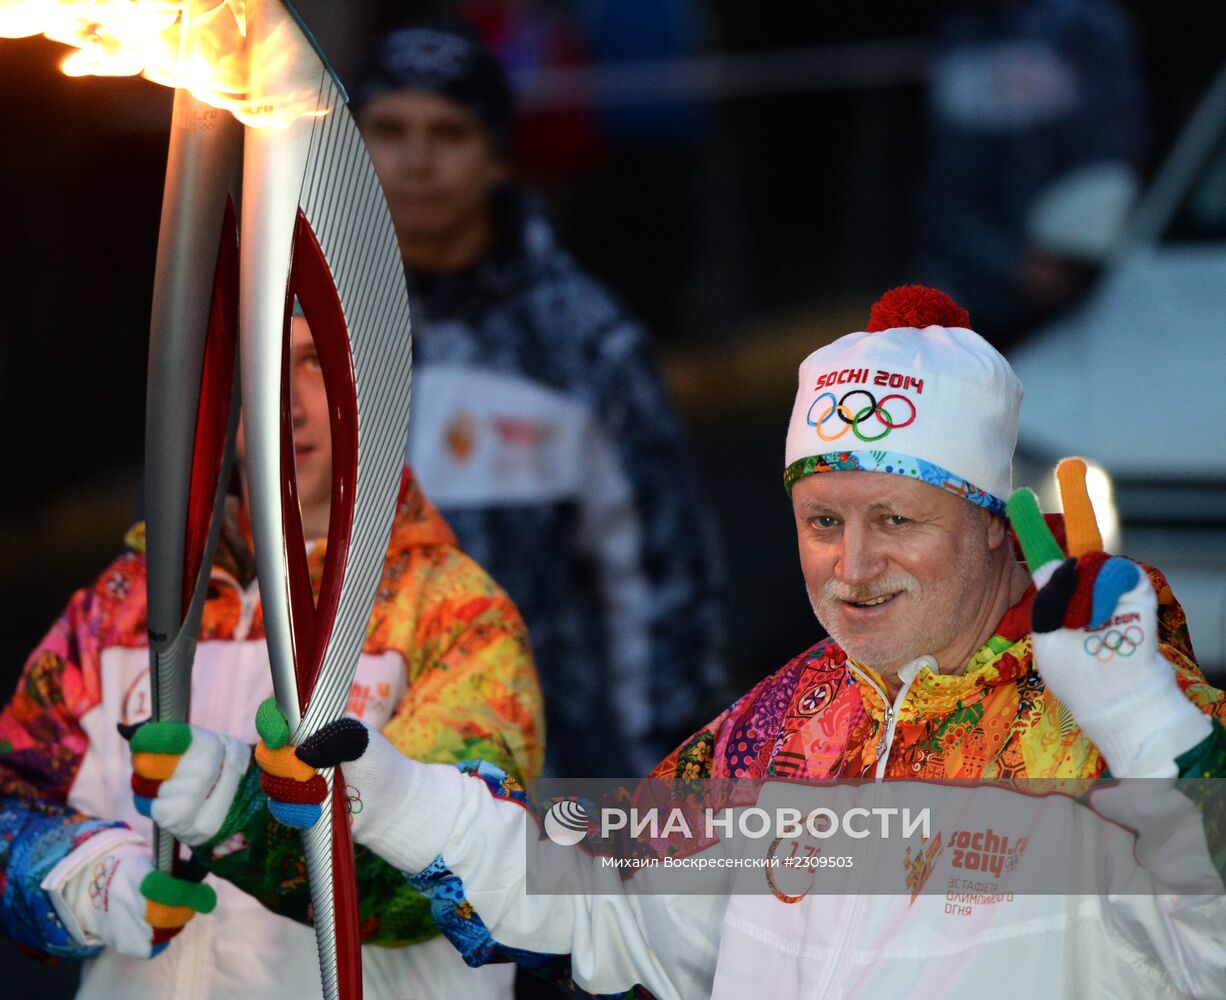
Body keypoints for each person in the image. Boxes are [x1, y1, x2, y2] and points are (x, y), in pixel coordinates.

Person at [154, 285, 1224, 997]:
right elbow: (590, 888)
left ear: (995, 524)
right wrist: (390, 794)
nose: (849, 568)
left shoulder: (1093, 737)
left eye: (895, 520)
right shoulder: (777, 732)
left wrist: (1144, 722)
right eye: (820, 521)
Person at [0, 314, 544, 998]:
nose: (287, 399)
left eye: (318, 361)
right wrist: (86, 878)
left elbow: (467, 873)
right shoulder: (118, 610)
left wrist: (241, 814)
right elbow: (12, 801)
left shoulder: (450, 612)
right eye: (258, 365)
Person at [348, 21, 724, 777]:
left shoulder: (581, 341)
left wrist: (663, 783)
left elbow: (661, 580)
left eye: (448, 133)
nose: (416, 161)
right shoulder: (292, 326)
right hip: (332, 782)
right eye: (389, 130)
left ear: (496, 155)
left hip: (539, 783)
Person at [917, 0, 1146, 348]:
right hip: (968, 290)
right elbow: (944, 179)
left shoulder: (1086, 27)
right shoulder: (956, 34)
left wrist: (1067, 251)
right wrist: (1008, 263)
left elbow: (1112, 152)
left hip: (1077, 283)